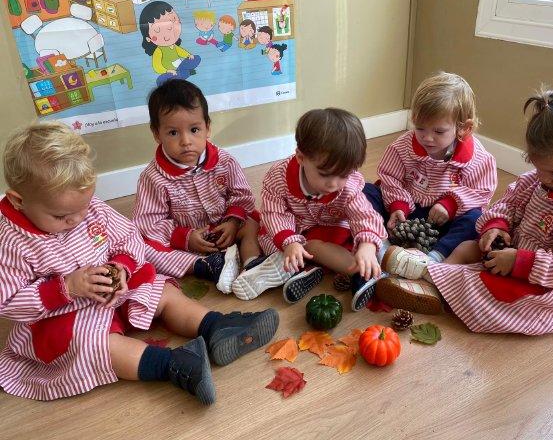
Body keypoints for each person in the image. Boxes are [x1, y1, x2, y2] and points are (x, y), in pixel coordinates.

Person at [0, 122, 279, 404]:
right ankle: (172, 363)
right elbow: (8, 301)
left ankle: (217, 326)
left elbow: (128, 237)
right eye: (61, 216)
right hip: (67, 316)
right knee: (95, 346)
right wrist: (66, 288)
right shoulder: (12, 242)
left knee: (163, 292)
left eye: (84, 206)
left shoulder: (91, 210)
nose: (77, 219)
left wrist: (121, 266)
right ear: (18, 201)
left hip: (117, 289)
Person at [378, 89, 553, 334]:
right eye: (538, 167)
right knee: (467, 248)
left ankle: (433, 279)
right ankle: (436, 278)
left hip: (549, 285)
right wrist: (496, 226)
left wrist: (519, 261)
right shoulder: (537, 180)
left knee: (486, 288)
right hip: (510, 253)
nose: (544, 178)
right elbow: (508, 204)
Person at [232, 108, 388, 311]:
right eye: (325, 174)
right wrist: (289, 241)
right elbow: (274, 213)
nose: (334, 184)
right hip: (291, 229)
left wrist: (367, 245)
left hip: (329, 227)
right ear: (300, 157)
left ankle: (363, 274)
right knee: (271, 242)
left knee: (317, 246)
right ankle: (299, 268)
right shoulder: (278, 178)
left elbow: (364, 214)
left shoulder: (348, 186)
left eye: (344, 175)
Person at [132, 79, 262, 296]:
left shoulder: (225, 161)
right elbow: (148, 223)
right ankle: (207, 265)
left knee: (254, 222)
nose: (186, 141)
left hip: (226, 229)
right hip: (186, 243)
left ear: (207, 127)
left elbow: (242, 196)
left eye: (194, 130)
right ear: (157, 134)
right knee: (143, 248)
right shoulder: (152, 178)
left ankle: (252, 266)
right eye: (173, 133)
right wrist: (186, 238)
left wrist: (232, 223)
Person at [364, 72, 496, 283]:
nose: (427, 138)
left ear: (464, 128)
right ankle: (382, 249)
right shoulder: (403, 147)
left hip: (443, 219)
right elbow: (389, 177)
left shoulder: (477, 158)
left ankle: (433, 260)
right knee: (365, 192)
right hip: (407, 211)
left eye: (439, 131)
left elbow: (482, 190)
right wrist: (398, 206)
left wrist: (451, 204)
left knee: (475, 220)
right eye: (420, 128)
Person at [139, 1, 201, 86]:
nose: (168, 31)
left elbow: (180, 51)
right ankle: (184, 74)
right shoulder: (159, 51)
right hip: (170, 71)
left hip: (179, 66)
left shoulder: (173, 46)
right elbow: (157, 66)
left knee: (196, 58)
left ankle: (182, 74)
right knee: (161, 80)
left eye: (173, 20)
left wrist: (188, 55)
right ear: (148, 38)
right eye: (158, 30)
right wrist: (167, 70)